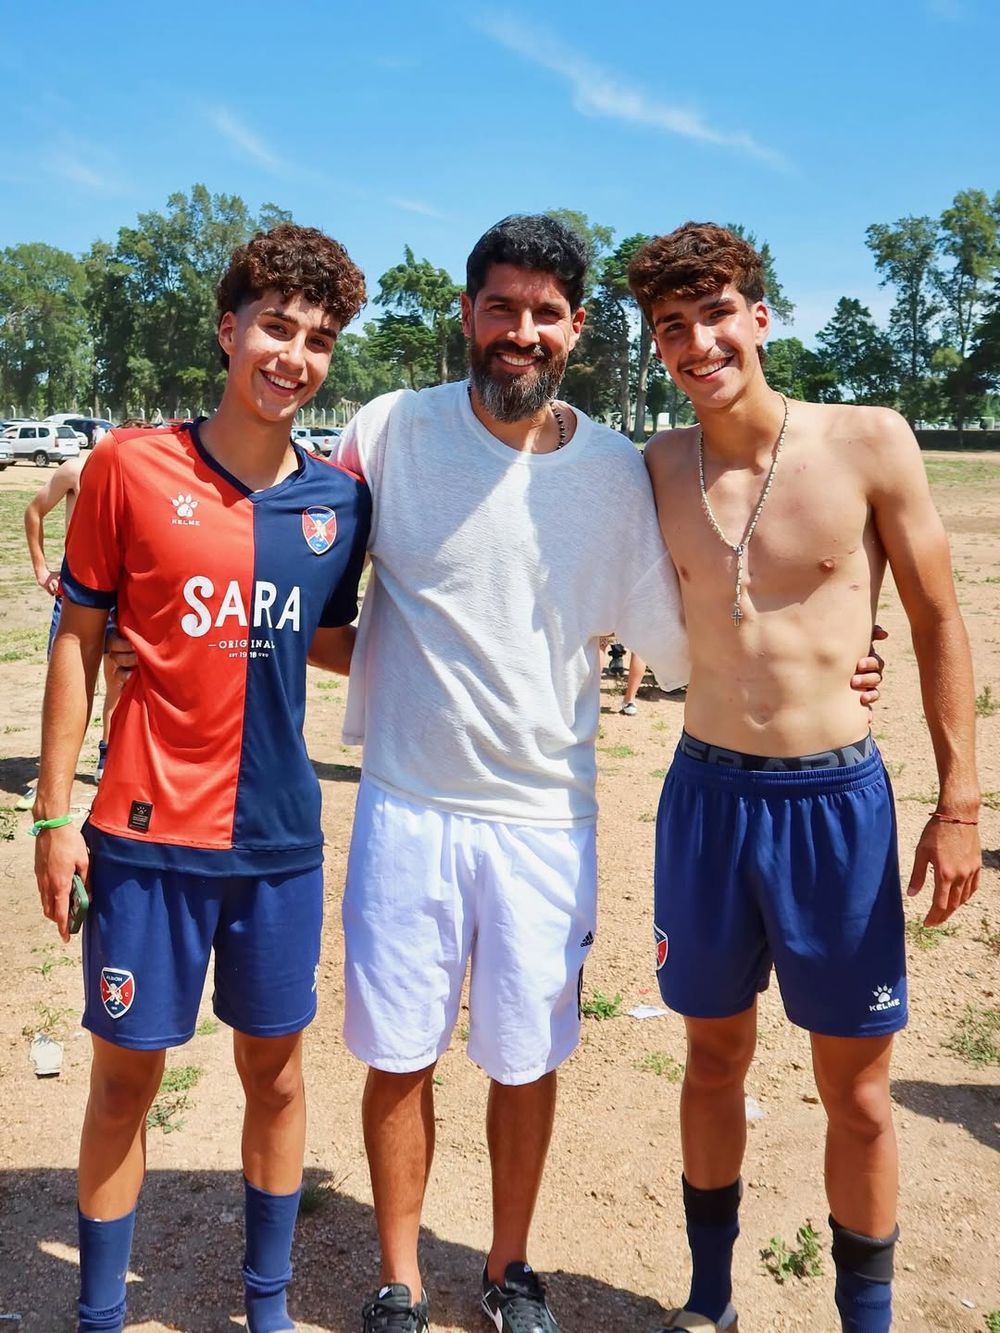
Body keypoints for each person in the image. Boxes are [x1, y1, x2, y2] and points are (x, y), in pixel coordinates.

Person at [329, 214, 883, 1333]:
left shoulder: (613, 471)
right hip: (405, 798)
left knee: (524, 1057)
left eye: (545, 314)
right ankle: (399, 1279)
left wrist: (837, 651)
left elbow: (685, 637)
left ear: (576, 330)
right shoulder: (388, 430)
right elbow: (306, 577)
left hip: (545, 815)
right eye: (500, 308)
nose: (519, 333)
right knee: (398, 1053)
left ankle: (510, 1268)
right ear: (467, 313)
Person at [627, 222, 981, 1333]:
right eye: (672, 327)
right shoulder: (650, 467)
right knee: (710, 1055)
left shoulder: (868, 440)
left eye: (716, 312)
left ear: (760, 314)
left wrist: (959, 804)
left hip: (834, 804)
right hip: (705, 799)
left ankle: (863, 1321)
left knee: (858, 1089)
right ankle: (709, 1297)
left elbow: (935, 621)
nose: (698, 342)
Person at [32, 223, 370, 1333]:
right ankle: (98, 1315)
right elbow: (79, 639)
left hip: (276, 846)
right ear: (229, 332)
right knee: (125, 1081)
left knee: (273, 1078)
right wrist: (52, 814)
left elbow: (332, 641)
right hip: (140, 839)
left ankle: (264, 1309)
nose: (294, 355)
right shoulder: (131, 466)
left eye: (318, 339)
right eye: (276, 327)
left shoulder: (336, 505)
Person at [24, 457, 122, 789]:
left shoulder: (137, 473)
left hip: (119, 591)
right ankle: (55, 772)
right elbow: (34, 511)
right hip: (75, 590)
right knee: (67, 683)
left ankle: (107, 757)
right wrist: (41, 569)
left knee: (117, 678)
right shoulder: (75, 470)